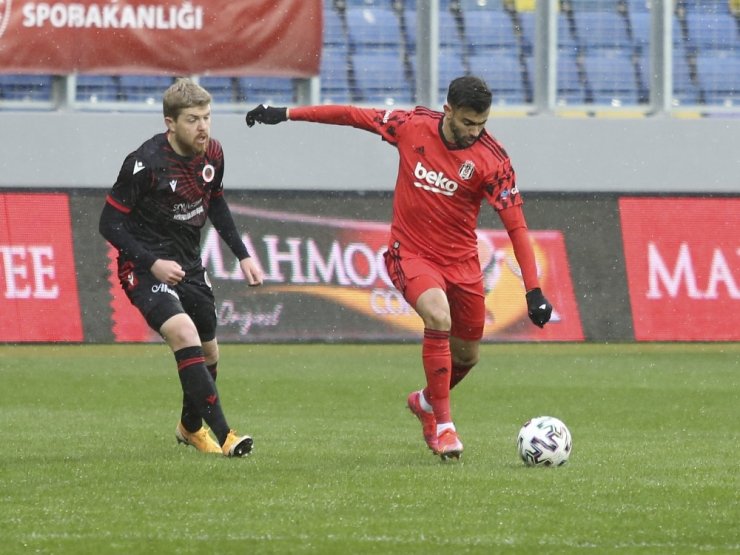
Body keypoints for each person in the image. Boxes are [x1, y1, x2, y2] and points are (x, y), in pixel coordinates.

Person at [245, 75, 552, 460]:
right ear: (449, 111)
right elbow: (351, 115)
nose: (475, 132)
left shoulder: (493, 161)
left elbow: (517, 227)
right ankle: (443, 425)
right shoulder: (410, 125)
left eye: (481, 124)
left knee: (468, 357)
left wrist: (533, 291)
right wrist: (285, 113)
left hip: (463, 264)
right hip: (410, 254)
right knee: (437, 316)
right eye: (467, 123)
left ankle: (425, 403)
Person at [100, 78, 263, 457]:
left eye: (207, 117)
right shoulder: (145, 164)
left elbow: (216, 203)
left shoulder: (214, 155)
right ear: (170, 123)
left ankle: (190, 428)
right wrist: (151, 263)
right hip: (142, 267)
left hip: (189, 264)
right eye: (193, 119)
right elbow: (109, 223)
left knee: (209, 352)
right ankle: (226, 435)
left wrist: (243, 254)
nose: (203, 127)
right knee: (183, 332)